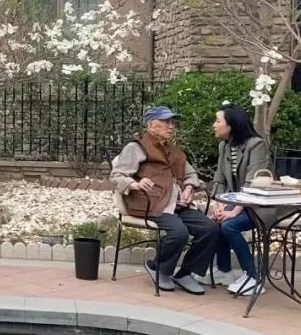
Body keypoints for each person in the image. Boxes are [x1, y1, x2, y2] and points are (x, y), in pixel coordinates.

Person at [109, 106, 219, 294]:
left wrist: (189, 187)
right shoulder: (136, 148)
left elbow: (191, 174)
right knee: (179, 232)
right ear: (151, 124)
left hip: (177, 204)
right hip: (151, 204)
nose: (171, 126)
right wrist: (135, 184)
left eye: (172, 122)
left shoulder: (175, 152)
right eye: (166, 121)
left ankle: (185, 273)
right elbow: (117, 175)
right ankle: (158, 268)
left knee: (210, 228)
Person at [208, 103, 271, 296]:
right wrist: (221, 207)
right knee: (216, 221)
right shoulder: (224, 146)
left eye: (217, 121)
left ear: (231, 125)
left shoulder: (256, 145)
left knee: (229, 226)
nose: (214, 125)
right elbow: (219, 179)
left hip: (260, 205)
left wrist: (233, 211)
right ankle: (224, 271)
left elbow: (253, 184)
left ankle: (253, 277)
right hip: (237, 202)